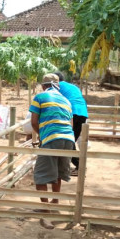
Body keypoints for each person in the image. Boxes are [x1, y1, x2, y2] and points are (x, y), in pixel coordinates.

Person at [29, 73, 75, 227]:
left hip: (51, 137)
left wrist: (43, 137)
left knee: (40, 175)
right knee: (58, 171)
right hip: (69, 139)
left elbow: (34, 121)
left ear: (43, 86)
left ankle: (46, 210)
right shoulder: (66, 101)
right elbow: (71, 124)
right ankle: (55, 202)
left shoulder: (40, 97)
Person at [54, 72, 88, 176]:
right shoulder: (74, 87)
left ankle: (80, 166)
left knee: (68, 141)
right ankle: (78, 166)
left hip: (72, 113)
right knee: (71, 140)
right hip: (83, 113)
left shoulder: (57, 86)